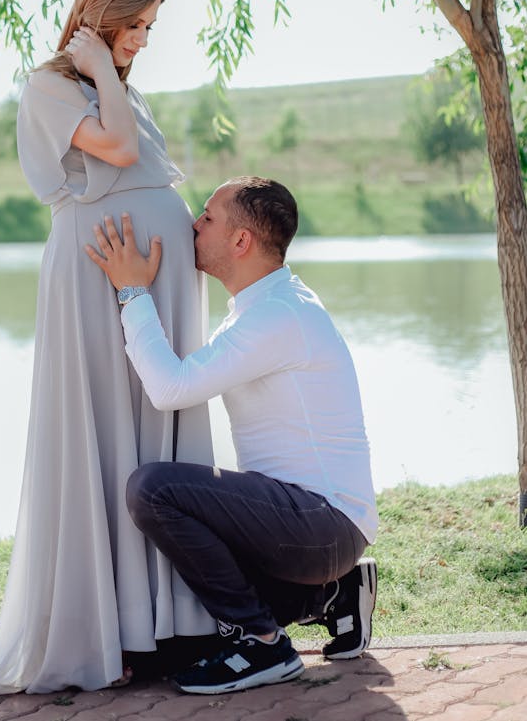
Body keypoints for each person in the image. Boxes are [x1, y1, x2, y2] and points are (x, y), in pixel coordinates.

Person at [0, 0, 216, 696]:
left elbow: (136, 153)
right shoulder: (49, 87)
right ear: (99, 16)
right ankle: (111, 625)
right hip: (95, 274)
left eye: (149, 28)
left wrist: (111, 71)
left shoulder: (119, 91)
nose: (142, 40)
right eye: (134, 25)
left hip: (149, 275)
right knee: (103, 429)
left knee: (155, 422)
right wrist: (100, 64)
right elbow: (121, 152)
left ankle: (167, 620)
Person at [85, 176, 378, 695]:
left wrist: (131, 290)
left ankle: (265, 645)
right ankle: (334, 594)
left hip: (319, 524)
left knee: (152, 489)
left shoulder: (275, 316)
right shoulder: (263, 306)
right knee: (186, 640)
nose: (194, 225)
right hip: (317, 530)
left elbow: (169, 387)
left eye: (208, 217)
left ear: (241, 241)